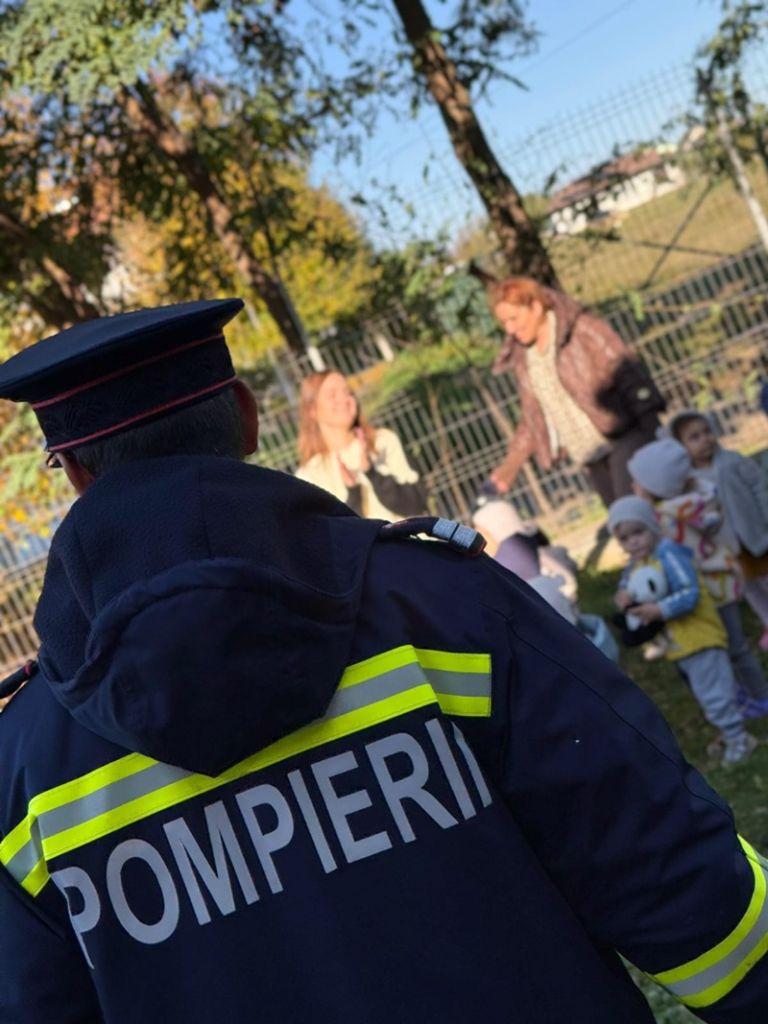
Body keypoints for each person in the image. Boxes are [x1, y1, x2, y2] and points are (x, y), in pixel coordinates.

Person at [0, 300, 767, 1024]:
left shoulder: (24, 766)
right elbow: (664, 864)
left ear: (73, 471)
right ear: (246, 416)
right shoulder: (449, 605)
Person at [486, 276, 665, 508]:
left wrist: (652, 428)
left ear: (536, 307)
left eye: (513, 318)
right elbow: (534, 416)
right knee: (624, 521)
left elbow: (626, 372)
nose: (510, 329)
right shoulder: (524, 357)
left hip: (622, 437)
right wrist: (511, 464)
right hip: (588, 453)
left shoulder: (581, 329)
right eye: (504, 323)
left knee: (633, 514)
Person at [608, 496, 756, 766]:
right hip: (679, 644)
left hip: (699, 637)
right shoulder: (638, 562)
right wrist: (623, 596)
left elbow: (690, 593)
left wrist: (660, 609)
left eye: (638, 532)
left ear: (652, 526)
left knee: (713, 693)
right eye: (624, 539)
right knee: (707, 691)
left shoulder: (669, 553)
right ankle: (729, 731)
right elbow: (628, 583)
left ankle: (739, 738)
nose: (633, 543)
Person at [628, 438, 768, 716]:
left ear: (657, 486)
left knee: (724, 650)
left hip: (704, 591)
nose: (633, 486)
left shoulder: (666, 520)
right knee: (736, 647)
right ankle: (756, 694)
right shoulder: (699, 502)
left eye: (638, 482)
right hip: (723, 583)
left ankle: (755, 698)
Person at [667, 409, 768, 653]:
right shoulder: (689, 481)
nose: (705, 439)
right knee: (749, 587)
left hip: (756, 536)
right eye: (694, 437)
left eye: (707, 432)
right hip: (725, 546)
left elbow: (760, 488)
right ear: (681, 447)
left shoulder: (733, 461)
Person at [295, 369, 427, 520]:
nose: (344, 399)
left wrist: (372, 473)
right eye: (332, 395)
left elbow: (416, 504)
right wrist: (353, 492)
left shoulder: (383, 440)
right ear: (312, 410)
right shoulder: (310, 475)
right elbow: (339, 532)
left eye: (348, 392)